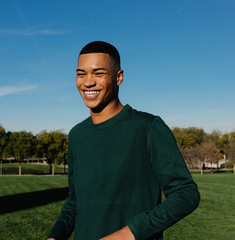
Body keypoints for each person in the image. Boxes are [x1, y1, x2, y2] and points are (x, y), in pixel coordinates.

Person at [47, 41, 200, 240]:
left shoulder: (147, 127)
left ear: (118, 77)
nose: (88, 82)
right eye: (81, 74)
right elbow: (75, 200)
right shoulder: (77, 135)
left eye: (99, 73)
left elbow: (186, 194)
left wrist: (128, 234)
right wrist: (55, 236)